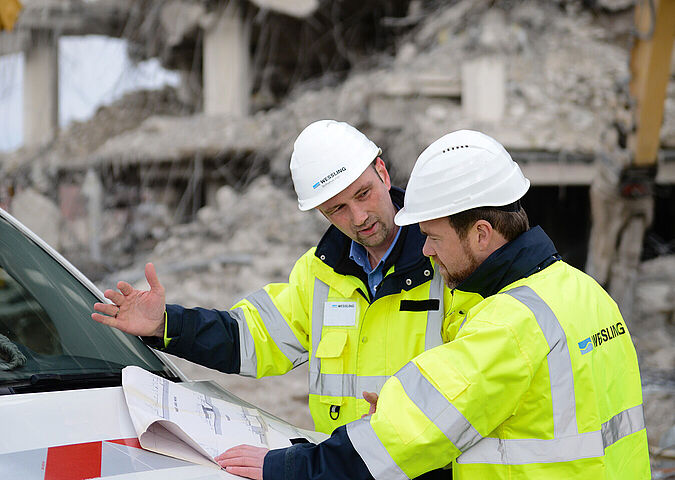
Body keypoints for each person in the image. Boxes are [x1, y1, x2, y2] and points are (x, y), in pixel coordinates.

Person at [217, 130, 650, 479]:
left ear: (481, 234)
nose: (424, 250)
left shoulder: (508, 324)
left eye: (434, 237)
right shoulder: (585, 292)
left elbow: (410, 434)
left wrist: (286, 467)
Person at [92, 120, 459, 463]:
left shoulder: (448, 258)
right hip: (344, 466)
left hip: (428, 465)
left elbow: (479, 370)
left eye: (363, 194)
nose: (359, 217)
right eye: (338, 209)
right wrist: (165, 324)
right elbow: (249, 337)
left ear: (382, 172)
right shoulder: (318, 273)